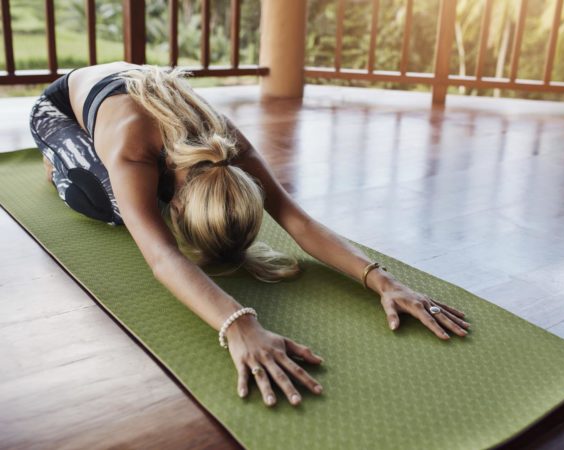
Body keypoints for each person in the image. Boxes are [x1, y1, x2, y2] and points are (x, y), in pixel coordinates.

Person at [29, 61, 471, 407]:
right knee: (117, 209)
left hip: (136, 102)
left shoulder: (225, 141)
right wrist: (238, 324)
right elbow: (163, 257)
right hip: (61, 106)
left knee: (138, 201)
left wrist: (385, 282)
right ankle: (58, 163)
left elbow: (298, 221)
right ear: (177, 204)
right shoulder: (131, 149)